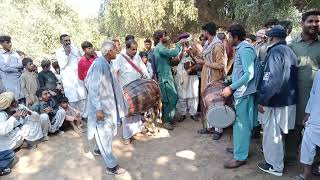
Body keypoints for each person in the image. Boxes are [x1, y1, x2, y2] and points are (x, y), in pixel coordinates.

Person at [256, 25, 298, 176]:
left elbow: (270, 80)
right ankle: (278, 162)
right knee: (279, 135)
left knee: (272, 135)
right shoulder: (289, 51)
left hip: (276, 101)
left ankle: (274, 166)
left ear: (271, 38)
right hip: (288, 100)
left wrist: (262, 100)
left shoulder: (274, 52)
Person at [85, 40, 127, 175]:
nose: (117, 51)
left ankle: (98, 148)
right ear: (109, 52)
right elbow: (93, 88)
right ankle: (111, 166)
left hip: (107, 105)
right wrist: (98, 108)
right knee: (104, 134)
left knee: (105, 133)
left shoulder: (107, 62)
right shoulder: (99, 64)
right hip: (101, 108)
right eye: (115, 50)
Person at [221, 24, 259, 168]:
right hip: (241, 91)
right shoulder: (241, 48)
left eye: (229, 36)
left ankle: (240, 157)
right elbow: (240, 72)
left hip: (244, 93)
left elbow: (249, 74)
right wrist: (229, 79)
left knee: (242, 125)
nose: (228, 39)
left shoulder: (246, 49)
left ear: (235, 37)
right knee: (239, 124)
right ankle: (239, 148)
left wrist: (230, 88)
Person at [287, 10, 320, 162]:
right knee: (293, 128)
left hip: (316, 100)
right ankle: (291, 156)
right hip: (296, 96)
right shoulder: (291, 45)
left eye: (317, 21)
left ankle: (314, 162)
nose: (314, 24)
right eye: (310, 21)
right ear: (302, 24)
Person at [112, 39, 150, 144]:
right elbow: (114, 73)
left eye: (136, 49)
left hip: (138, 89)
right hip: (126, 92)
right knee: (127, 113)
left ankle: (136, 130)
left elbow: (143, 69)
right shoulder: (119, 58)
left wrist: (148, 78)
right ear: (127, 48)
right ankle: (126, 136)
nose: (135, 51)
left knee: (138, 110)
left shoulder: (137, 56)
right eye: (132, 49)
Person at [196, 22, 227, 140]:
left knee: (215, 103)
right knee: (207, 103)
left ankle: (218, 129)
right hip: (206, 78)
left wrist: (204, 63)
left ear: (207, 32)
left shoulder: (217, 45)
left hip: (214, 79)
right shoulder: (208, 44)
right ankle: (209, 127)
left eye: (204, 31)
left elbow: (220, 65)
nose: (203, 34)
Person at [291, 70, 320, 180]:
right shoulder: (319, 73)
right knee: (307, 145)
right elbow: (313, 93)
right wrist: (307, 113)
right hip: (315, 116)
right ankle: (306, 174)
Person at [153, 30, 184, 130]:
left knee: (169, 99)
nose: (167, 37)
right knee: (172, 98)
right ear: (161, 37)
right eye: (165, 36)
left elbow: (170, 62)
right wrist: (179, 44)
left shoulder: (160, 48)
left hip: (166, 76)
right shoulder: (160, 47)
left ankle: (168, 118)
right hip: (165, 77)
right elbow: (174, 52)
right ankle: (167, 120)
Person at [55, 33, 87, 117]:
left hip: (78, 78)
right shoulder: (59, 52)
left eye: (69, 40)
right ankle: (77, 119)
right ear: (61, 42)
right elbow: (62, 65)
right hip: (68, 80)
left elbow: (81, 59)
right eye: (65, 41)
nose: (68, 42)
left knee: (82, 98)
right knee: (72, 100)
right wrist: (67, 53)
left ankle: (84, 117)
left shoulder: (75, 48)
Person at [174, 35, 200, 122]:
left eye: (186, 42)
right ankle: (182, 113)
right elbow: (174, 62)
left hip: (191, 73)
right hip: (181, 74)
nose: (185, 43)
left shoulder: (194, 48)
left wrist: (190, 53)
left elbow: (198, 61)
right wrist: (181, 52)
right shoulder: (177, 49)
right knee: (181, 95)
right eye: (183, 42)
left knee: (193, 94)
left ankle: (193, 113)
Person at [0, 36, 24, 102]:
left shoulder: (15, 53)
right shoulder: (1, 55)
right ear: (1, 44)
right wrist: (17, 69)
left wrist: (10, 65)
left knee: (23, 101)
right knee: (13, 101)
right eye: (7, 42)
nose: (10, 44)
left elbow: (21, 64)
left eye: (10, 42)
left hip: (19, 81)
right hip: (9, 83)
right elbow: (4, 68)